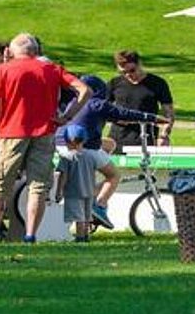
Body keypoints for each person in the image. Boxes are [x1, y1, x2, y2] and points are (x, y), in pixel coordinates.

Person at [0, 32, 90, 243]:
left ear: (12, 50)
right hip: (45, 132)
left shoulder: (2, 70)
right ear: (35, 50)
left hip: (10, 133)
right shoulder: (51, 69)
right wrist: (67, 117)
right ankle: (30, 234)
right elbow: (84, 90)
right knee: (38, 187)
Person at [57, 73, 169, 230]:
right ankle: (100, 205)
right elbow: (125, 114)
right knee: (114, 175)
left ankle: (93, 187)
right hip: (82, 146)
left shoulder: (74, 103)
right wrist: (153, 118)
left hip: (61, 143)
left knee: (110, 144)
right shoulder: (98, 104)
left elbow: (103, 117)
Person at [107, 51, 175, 149]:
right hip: (117, 139)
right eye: (123, 72)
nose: (128, 75)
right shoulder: (114, 83)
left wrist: (164, 135)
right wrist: (117, 119)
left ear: (139, 64)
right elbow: (104, 109)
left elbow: (168, 113)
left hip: (146, 139)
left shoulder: (158, 83)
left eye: (132, 70)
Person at [53, 124, 97, 242]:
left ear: (68, 141)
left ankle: (80, 237)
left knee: (79, 217)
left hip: (74, 192)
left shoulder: (66, 157)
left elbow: (63, 176)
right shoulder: (91, 156)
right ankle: (86, 236)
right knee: (87, 216)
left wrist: (59, 191)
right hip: (89, 190)